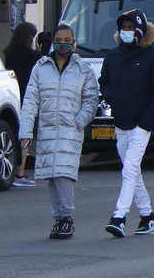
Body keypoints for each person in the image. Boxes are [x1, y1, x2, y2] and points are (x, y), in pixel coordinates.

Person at [18, 23, 99, 240]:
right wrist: (25, 132)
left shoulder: (83, 69)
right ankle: (59, 218)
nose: (62, 44)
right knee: (51, 175)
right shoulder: (40, 67)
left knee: (64, 173)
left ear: (74, 43)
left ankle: (66, 217)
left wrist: (78, 121)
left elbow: (91, 100)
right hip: (47, 129)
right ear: (52, 41)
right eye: (59, 40)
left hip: (70, 130)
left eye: (67, 40)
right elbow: (30, 101)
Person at [99, 8, 154, 237]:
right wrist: (111, 97)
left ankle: (119, 216)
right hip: (121, 121)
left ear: (140, 29)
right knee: (132, 170)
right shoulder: (113, 56)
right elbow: (105, 81)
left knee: (129, 168)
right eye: (123, 28)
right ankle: (148, 216)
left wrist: (146, 122)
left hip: (142, 124)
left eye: (130, 27)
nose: (126, 32)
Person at [4, 21, 41, 187]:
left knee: (15, 132)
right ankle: (20, 172)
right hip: (29, 96)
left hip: (13, 95)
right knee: (26, 134)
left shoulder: (9, 53)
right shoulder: (33, 56)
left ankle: (12, 170)